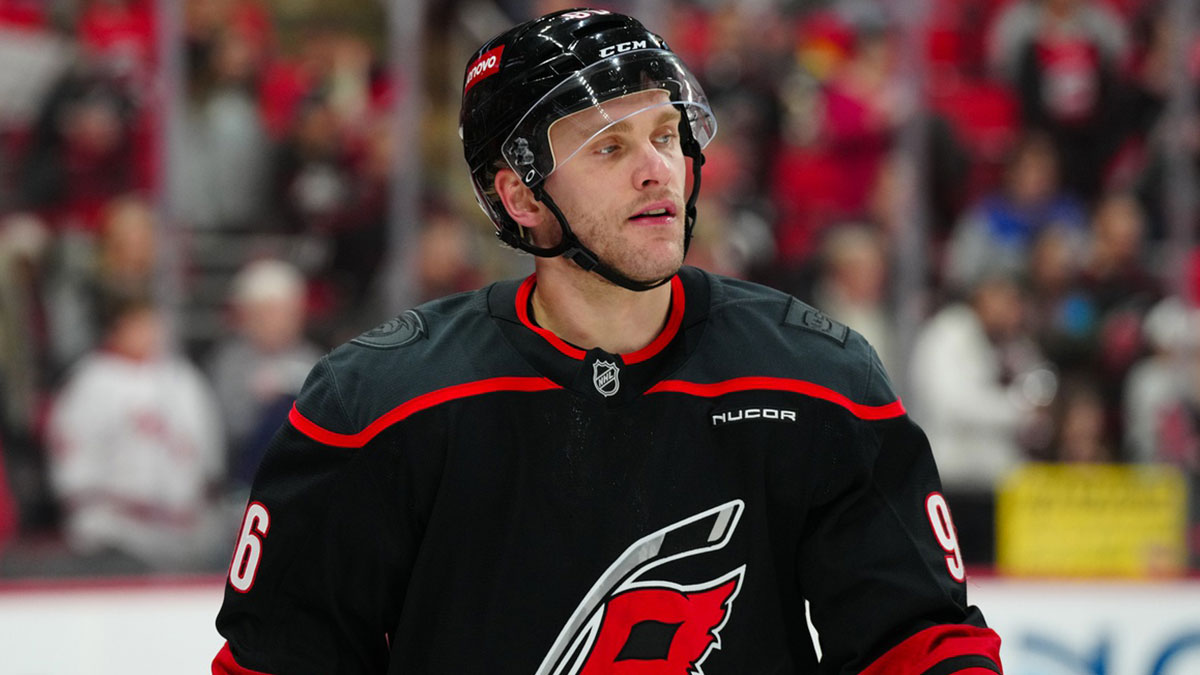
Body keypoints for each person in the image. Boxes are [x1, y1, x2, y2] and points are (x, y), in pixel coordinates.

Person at [213, 9, 1002, 674]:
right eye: (610, 147)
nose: (660, 170)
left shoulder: (815, 379)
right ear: (520, 194)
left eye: (668, 133)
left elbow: (917, 638)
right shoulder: (377, 405)